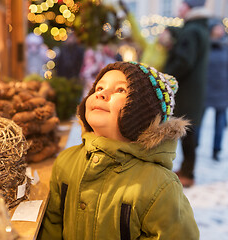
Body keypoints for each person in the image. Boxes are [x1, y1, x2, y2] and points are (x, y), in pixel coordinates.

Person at [38, 61, 199, 240]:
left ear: (142, 113)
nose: (101, 94)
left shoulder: (160, 187)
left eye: (120, 90)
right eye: (99, 87)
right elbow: (52, 224)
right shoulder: (66, 161)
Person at [164, 0, 210, 187]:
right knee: (189, 132)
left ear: (190, 8)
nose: (179, 9)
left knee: (187, 133)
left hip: (187, 91)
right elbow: (184, 38)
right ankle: (186, 169)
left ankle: (188, 174)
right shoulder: (199, 29)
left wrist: (165, 76)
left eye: (182, 5)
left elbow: (184, 60)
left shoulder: (191, 32)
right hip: (194, 90)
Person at [119, 0, 176, 72]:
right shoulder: (151, 46)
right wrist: (129, 14)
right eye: (163, 32)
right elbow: (138, 35)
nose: (162, 34)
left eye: (165, 34)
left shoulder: (168, 55)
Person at [203, 19, 228, 161]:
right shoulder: (205, 46)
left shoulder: (226, 46)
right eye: (217, 28)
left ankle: (216, 150)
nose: (220, 30)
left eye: (221, 28)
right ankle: (195, 145)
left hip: (223, 90)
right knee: (198, 122)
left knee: (220, 123)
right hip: (206, 89)